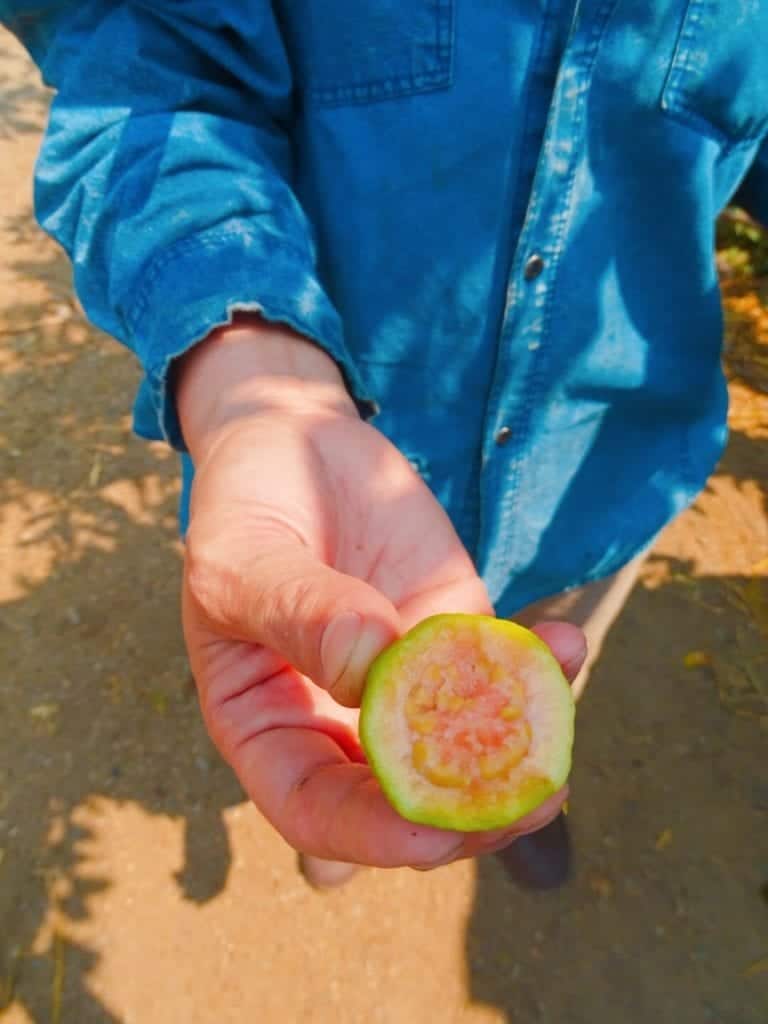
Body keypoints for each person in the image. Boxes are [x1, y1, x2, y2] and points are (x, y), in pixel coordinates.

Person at [2, 2, 766, 890]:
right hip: (334, 513)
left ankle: (515, 801)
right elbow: (144, 64)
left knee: (555, 662)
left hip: (603, 477)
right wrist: (259, 387)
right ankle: (345, 832)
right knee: (341, 787)